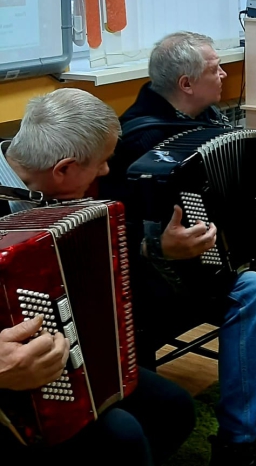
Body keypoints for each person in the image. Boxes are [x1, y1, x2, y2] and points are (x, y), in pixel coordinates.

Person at [102, 32, 256, 466]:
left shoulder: (207, 117)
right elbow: (116, 223)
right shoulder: (135, 139)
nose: (224, 74)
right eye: (214, 68)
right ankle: (238, 440)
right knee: (254, 288)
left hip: (224, 238)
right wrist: (157, 241)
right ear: (186, 83)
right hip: (167, 267)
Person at [0, 89, 195, 466]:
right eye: (102, 162)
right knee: (121, 437)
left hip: (64, 355)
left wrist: (153, 245)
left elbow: (101, 245)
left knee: (173, 409)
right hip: (9, 382)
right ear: (64, 169)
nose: (106, 171)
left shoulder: (48, 186)